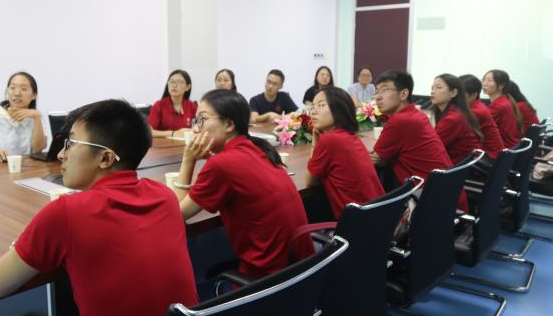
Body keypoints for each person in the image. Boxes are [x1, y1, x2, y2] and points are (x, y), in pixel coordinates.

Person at [0, 99, 198, 316]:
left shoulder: (66, 213)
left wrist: (24, 244)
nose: (61, 154)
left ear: (105, 159)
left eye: (71, 144)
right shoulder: (164, 196)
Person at [173, 89, 314, 280]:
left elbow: (176, 215)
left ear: (229, 124)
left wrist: (188, 160)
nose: (196, 129)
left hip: (267, 280)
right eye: (196, 121)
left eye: (202, 119)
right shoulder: (258, 148)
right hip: (302, 270)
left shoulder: (221, 164)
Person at [370, 70, 468, 212]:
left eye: (384, 90)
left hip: (432, 202)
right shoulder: (416, 114)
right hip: (448, 195)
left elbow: (375, 159)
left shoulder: (401, 120)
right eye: (377, 91)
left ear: (403, 94)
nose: (378, 97)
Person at [306, 86, 384, 219]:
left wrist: (315, 141)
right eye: (313, 106)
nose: (314, 111)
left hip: (356, 223)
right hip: (377, 217)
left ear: (339, 109)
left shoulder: (331, 140)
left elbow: (310, 181)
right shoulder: (349, 136)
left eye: (321, 105)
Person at [0, 72, 46, 162]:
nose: (17, 93)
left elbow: (38, 150)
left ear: (34, 95)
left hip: (29, 168)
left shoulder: (36, 116)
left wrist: (37, 118)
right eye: (12, 88)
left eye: (23, 89)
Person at [430, 74, 483, 164]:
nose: (432, 92)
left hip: (465, 168)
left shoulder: (453, 118)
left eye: (438, 87)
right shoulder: (454, 111)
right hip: (462, 165)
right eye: (432, 88)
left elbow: (431, 147)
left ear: (453, 93)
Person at [459, 74, 504, 160]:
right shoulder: (478, 105)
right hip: (492, 156)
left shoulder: (475, 112)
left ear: (474, 95)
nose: (457, 98)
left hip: (489, 159)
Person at [148, 69, 197, 138]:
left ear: (187, 87)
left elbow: (200, 126)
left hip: (184, 143)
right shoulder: (159, 105)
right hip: (163, 144)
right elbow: (149, 132)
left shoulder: (192, 106)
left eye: (179, 82)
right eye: (171, 81)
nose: (174, 85)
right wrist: (173, 133)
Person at [482, 69, 522, 148]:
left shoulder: (499, 106)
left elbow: (477, 124)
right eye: (484, 79)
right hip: (511, 146)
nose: (484, 84)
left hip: (504, 149)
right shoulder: (504, 100)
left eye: (489, 80)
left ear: (501, 85)